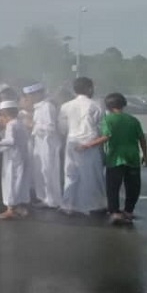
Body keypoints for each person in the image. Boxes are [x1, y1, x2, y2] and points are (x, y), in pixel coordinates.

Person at [82, 93, 147, 226]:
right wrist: (145, 155)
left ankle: (115, 212)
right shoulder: (133, 119)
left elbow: (106, 136)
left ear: (108, 106)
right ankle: (129, 211)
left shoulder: (108, 120)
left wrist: (88, 145)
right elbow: (142, 138)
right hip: (132, 157)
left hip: (115, 158)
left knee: (113, 187)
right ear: (124, 104)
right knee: (133, 187)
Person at [58, 77, 106, 216]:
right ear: (89, 89)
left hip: (72, 141)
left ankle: (68, 204)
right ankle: (92, 205)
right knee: (91, 175)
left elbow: (62, 127)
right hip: (90, 142)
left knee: (71, 173)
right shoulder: (95, 105)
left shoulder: (66, 106)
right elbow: (101, 125)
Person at [0, 100, 31, 220]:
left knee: (11, 182)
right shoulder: (19, 123)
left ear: (4, 113)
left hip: (13, 158)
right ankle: (19, 206)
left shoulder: (11, 124)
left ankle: (10, 209)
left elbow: (10, 141)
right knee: (19, 181)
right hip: (21, 156)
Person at [23, 83, 62, 209]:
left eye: (30, 95)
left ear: (38, 94)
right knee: (41, 171)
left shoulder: (47, 106)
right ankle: (44, 198)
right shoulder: (39, 107)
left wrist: (32, 125)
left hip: (48, 145)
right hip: (40, 144)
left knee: (48, 171)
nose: (28, 98)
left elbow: (50, 128)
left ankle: (52, 200)